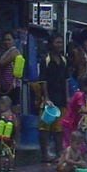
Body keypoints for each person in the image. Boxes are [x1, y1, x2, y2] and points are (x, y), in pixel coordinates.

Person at [36, 34, 69, 163]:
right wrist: (46, 98)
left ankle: (58, 152)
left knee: (59, 128)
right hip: (49, 99)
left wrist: (67, 97)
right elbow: (43, 81)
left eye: (61, 43)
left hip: (60, 97)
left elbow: (66, 80)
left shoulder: (64, 60)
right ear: (51, 44)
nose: (59, 45)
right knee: (45, 127)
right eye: (57, 42)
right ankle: (44, 154)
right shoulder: (46, 60)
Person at [60, 74, 87, 150]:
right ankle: (66, 160)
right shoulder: (80, 95)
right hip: (69, 124)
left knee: (79, 147)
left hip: (72, 124)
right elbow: (83, 110)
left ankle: (72, 160)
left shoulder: (80, 95)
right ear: (84, 86)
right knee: (73, 147)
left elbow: (82, 109)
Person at [0, 95, 16, 172]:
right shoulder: (12, 115)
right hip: (7, 138)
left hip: (5, 138)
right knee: (8, 154)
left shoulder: (2, 114)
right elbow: (16, 125)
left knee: (4, 154)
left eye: (1, 104)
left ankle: (4, 168)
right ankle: (8, 168)